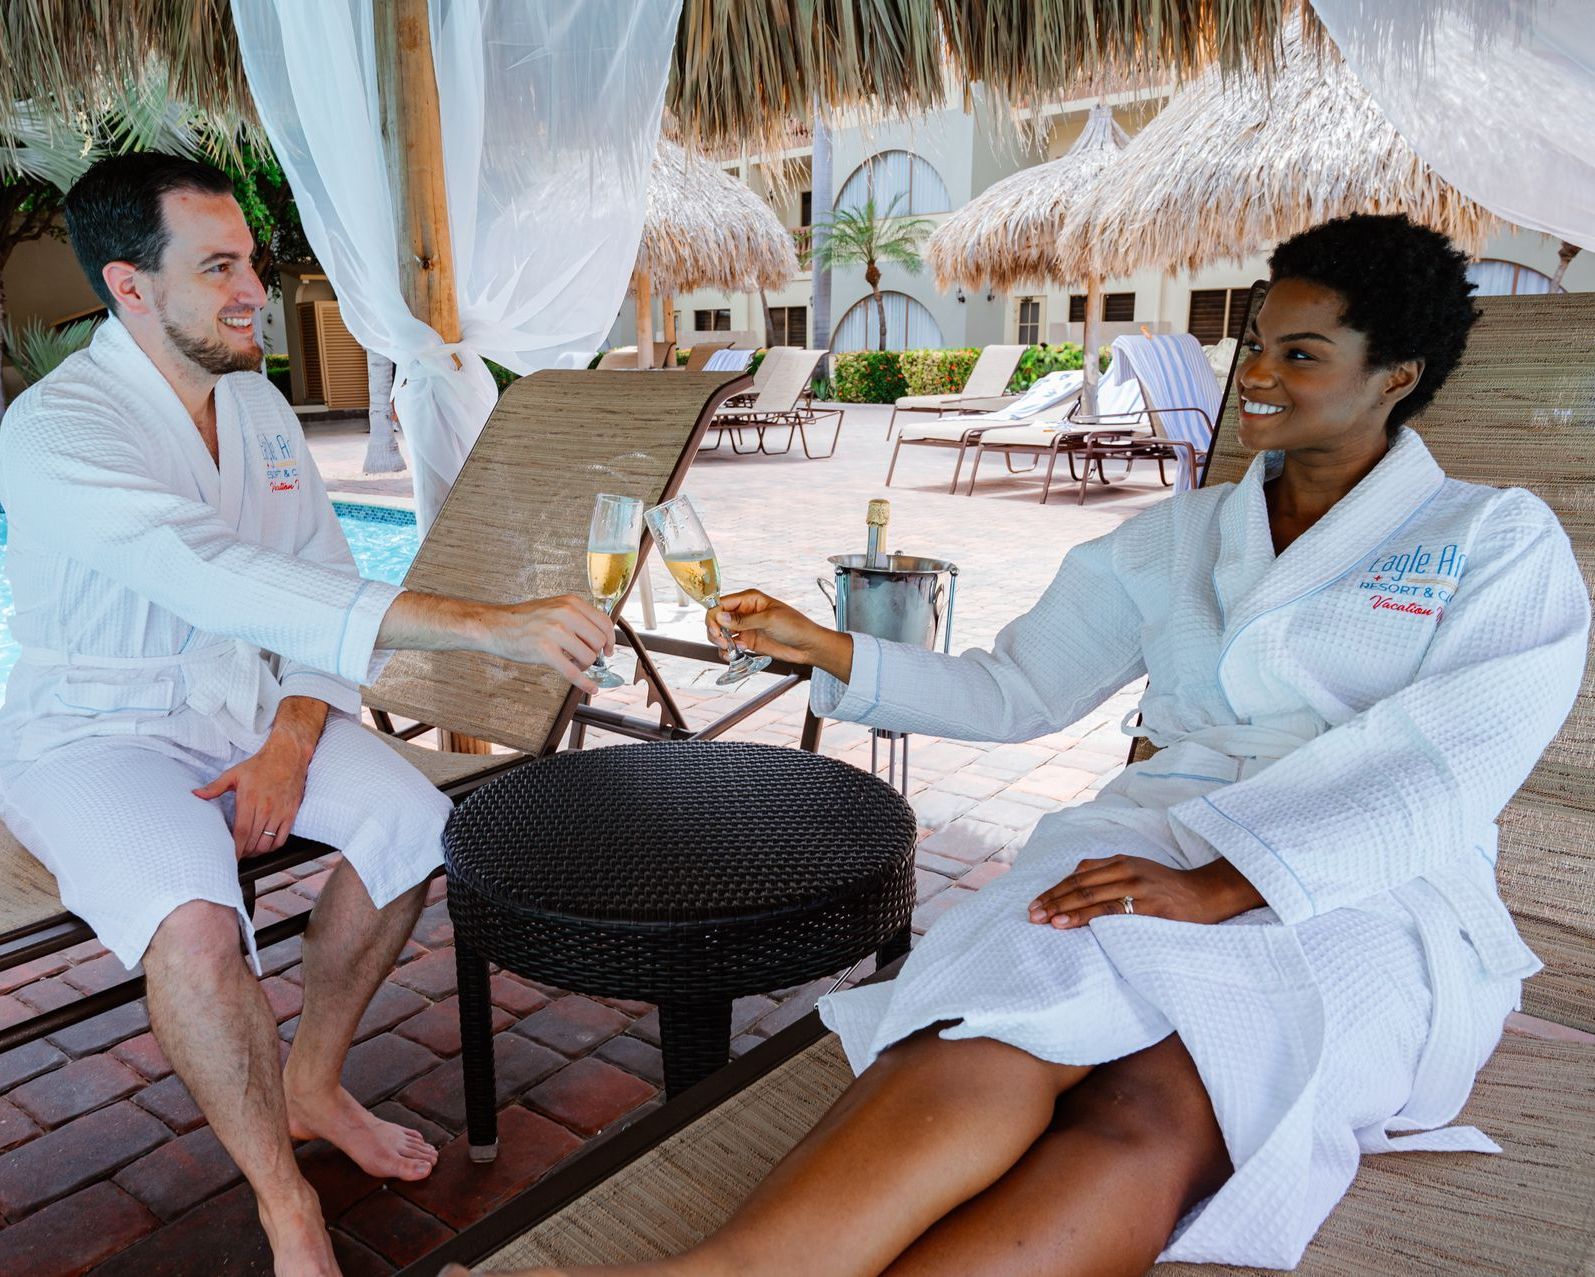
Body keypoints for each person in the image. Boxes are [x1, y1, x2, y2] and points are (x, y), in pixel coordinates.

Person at [461, 214, 1588, 1277]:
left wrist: (1220, 884)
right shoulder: (1180, 534)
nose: (1252, 373)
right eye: (1251, 343)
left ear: (1395, 376)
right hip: (1148, 841)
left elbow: (1448, 763)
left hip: (1365, 887)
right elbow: (1014, 688)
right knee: (987, 1027)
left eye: (1299, 354)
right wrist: (828, 645)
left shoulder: (1488, 538)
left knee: (1146, 1110)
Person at [0, 154, 614, 1277]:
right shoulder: (54, 431)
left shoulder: (257, 405)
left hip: (244, 704)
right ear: (131, 287)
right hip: (97, 731)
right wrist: (482, 624)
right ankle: (286, 1209)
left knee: (412, 826)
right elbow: (212, 573)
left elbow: (316, 574)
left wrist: (290, 737)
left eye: (253, 261)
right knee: (194, 926)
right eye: (219, 266)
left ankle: (311, 1079)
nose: (254, 289)